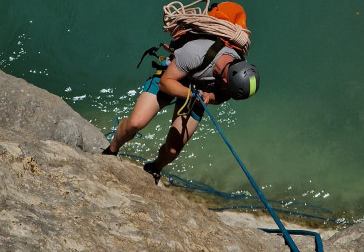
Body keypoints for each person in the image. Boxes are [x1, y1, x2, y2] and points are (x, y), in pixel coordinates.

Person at [102, 33, 260, 184]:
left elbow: (223, 96)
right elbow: (165, 83)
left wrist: (209, 97)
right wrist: (191, 94)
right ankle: (111, 151)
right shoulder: (195, 53)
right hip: (170, 77)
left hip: (198, 90)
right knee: (135, 123)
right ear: (225, 80)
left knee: (172, 150)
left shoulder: (236, 72)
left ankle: (154, 168)